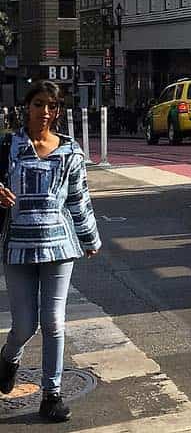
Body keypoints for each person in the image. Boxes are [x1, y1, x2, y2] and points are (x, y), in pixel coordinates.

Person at [0, 81, 101, 422]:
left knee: (53, 323)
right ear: (26, 107)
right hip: (17, 248)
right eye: (39, 104)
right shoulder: (7, 146)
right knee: (24, 325)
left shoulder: (71, 151)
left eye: (52, 106)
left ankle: (51, 395)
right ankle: (8, 359)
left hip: (58, 246)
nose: (45, 111)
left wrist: (90, 239)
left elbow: (78, 199)